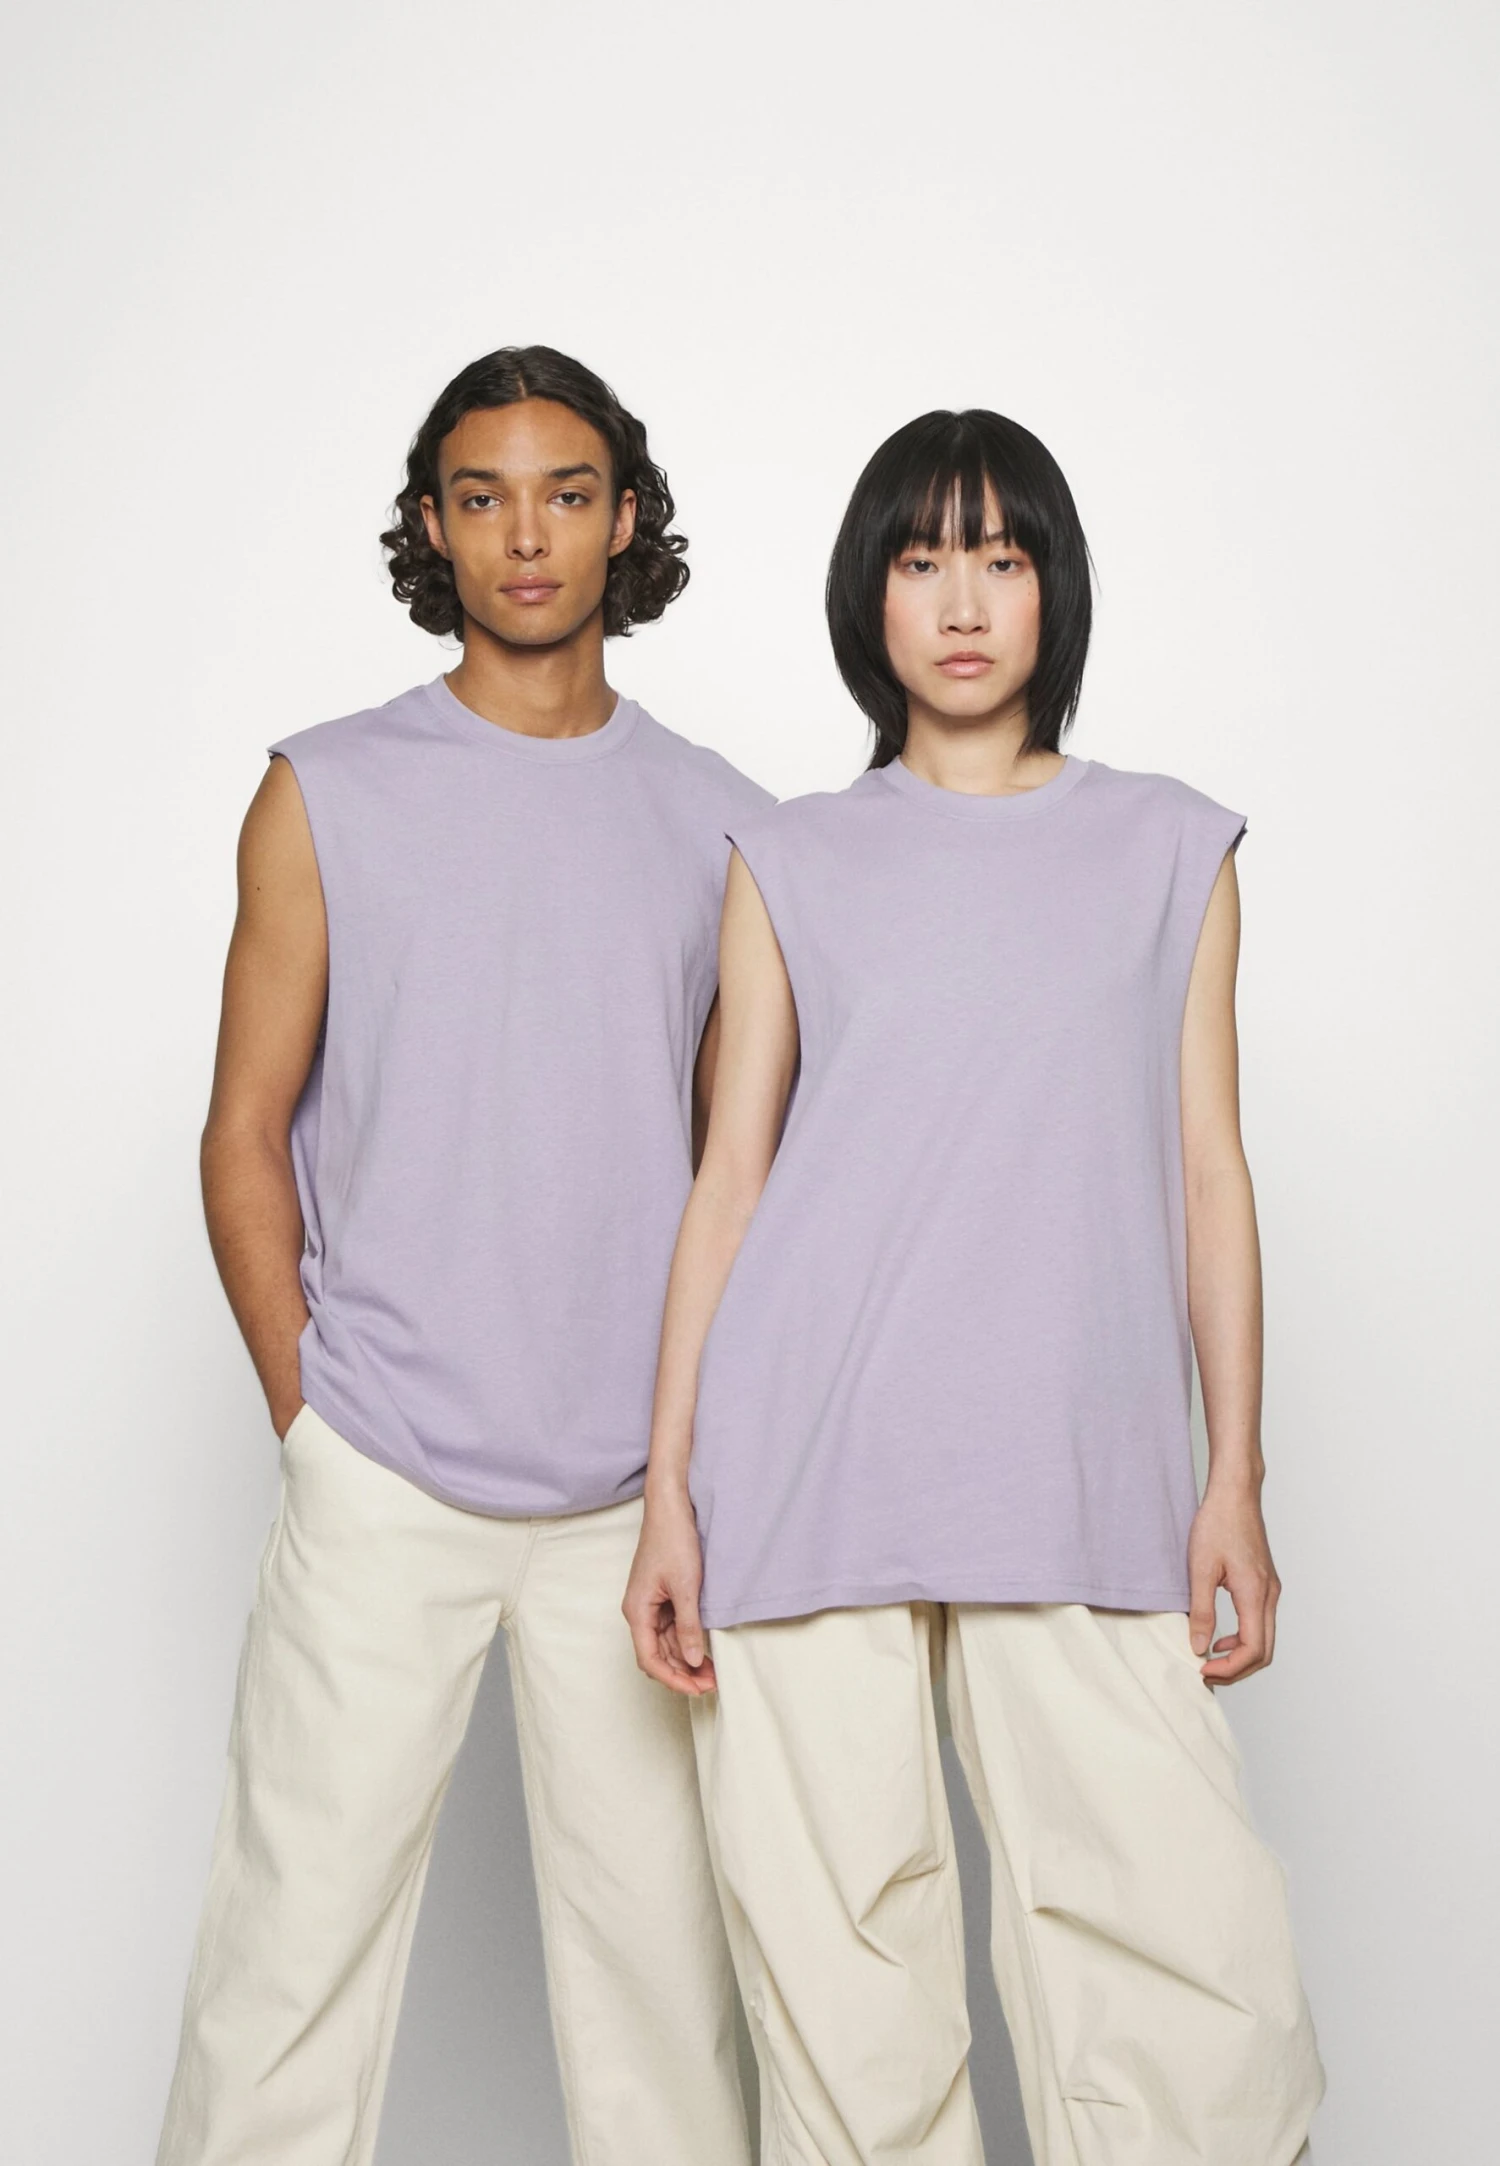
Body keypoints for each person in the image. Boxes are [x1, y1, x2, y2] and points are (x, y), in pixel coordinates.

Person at [625, 409, 1324, 2165]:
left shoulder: (1171, 846)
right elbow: (730, 1180)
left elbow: (1210, 1171)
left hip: (1074, 1467)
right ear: (869, 593)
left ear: (1052, 590)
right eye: (923, 558)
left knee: (1182, 1973)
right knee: (847, 2006)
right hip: (810, 1459)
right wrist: (669, 1491)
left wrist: (1235, 1476)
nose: (960, 602)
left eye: (1001, 559)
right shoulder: (789, 856)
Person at [158, 346, 770, 2166]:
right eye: (484, 498)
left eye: (565, 494)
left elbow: (745, 1171)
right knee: (288, 1967)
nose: (526, 536)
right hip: (383, 1468)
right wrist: (310, 1418)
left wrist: (698, 1465)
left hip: (630, 1502)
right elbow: (243, 1130)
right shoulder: (325, 790)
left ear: (625, 518)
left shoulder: (724, 821)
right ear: (431, 525)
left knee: (665, 2001)